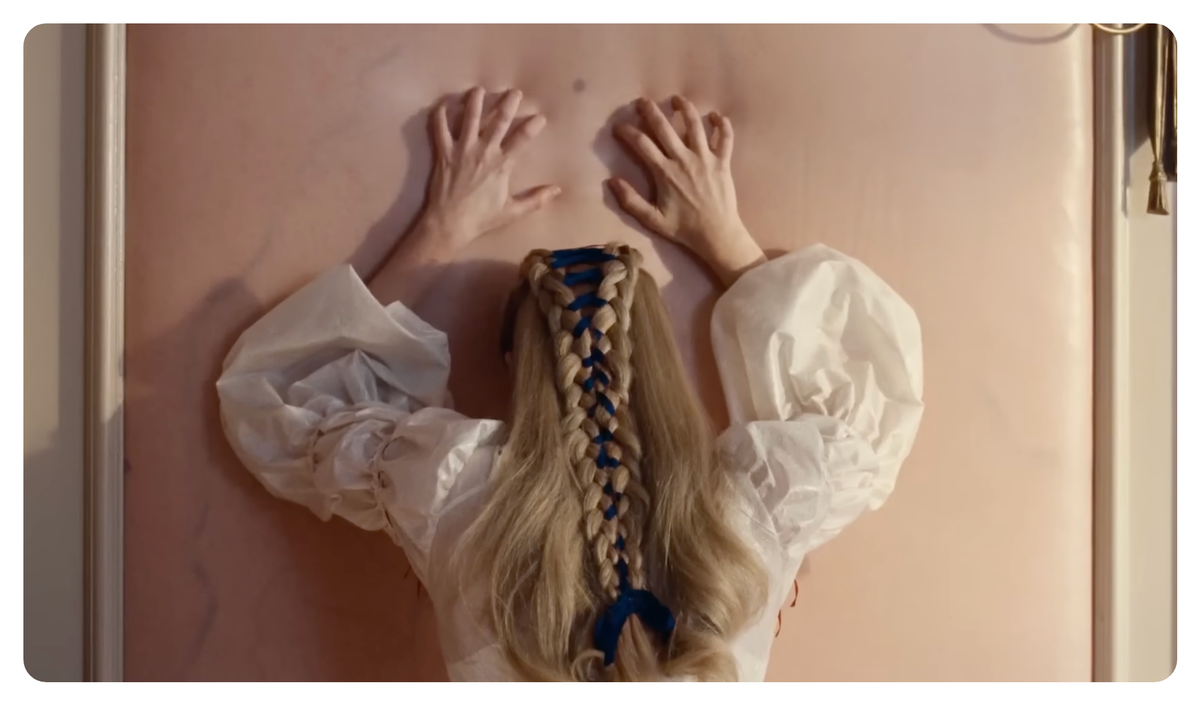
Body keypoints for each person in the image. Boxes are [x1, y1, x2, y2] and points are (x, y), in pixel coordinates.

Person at [216, 87, 924, 681]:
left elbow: (287, 398)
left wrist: (439, 226)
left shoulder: (456, 490)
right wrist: (724, 236)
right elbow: (866, 409)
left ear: (512, 368)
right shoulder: (753, 506)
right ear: (665, 359)